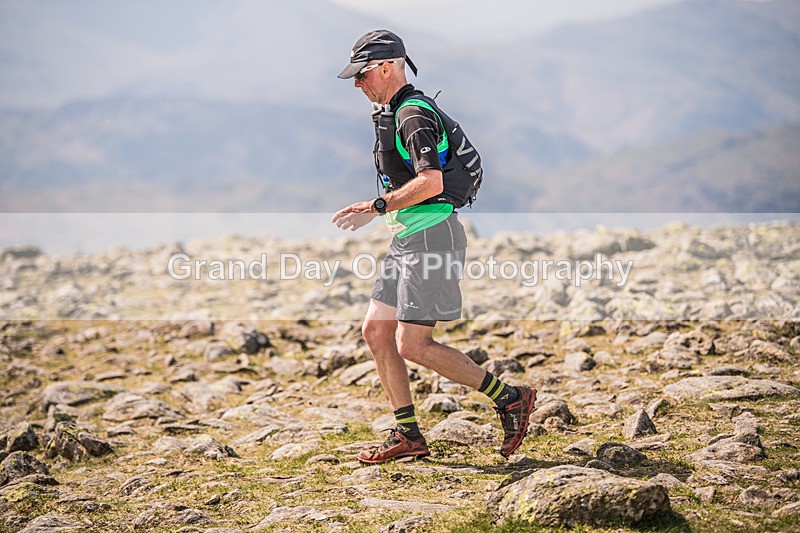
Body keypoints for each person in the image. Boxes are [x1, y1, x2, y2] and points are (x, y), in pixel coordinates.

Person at [332, 29, 536, 464]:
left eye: (362, 74)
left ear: (388, 67)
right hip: (409, 237)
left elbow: (431, 181)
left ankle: (511, 398)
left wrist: (377, 205)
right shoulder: (395, 111)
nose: (357, 84)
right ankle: (408, 435)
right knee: (376, 331)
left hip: (432, 239)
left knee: (414, 344)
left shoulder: (412, 115)